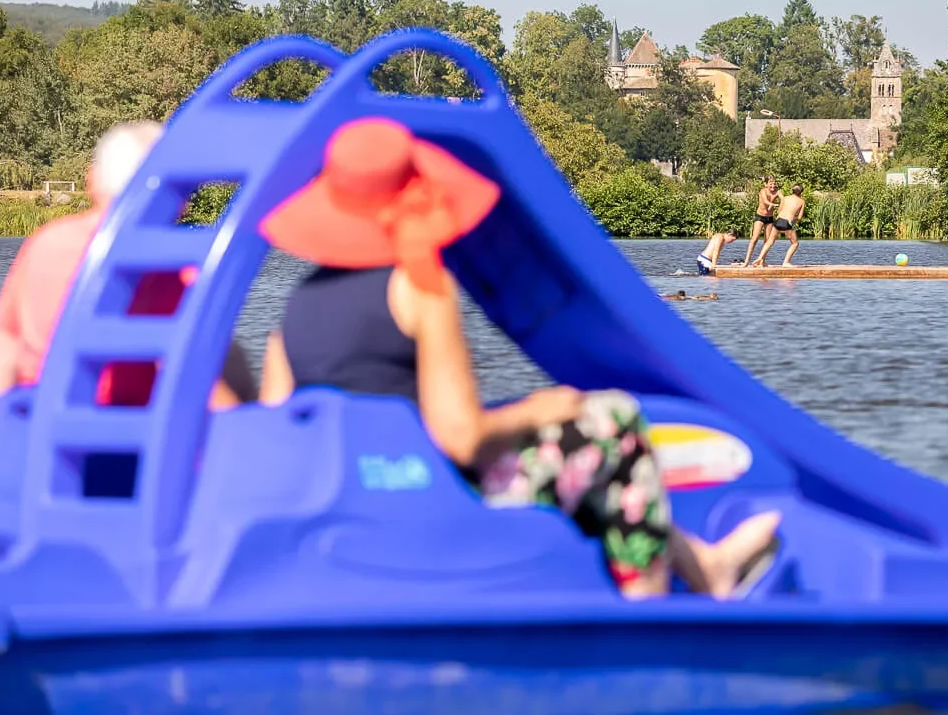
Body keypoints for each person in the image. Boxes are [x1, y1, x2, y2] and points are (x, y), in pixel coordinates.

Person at [257, 117, 778, 599]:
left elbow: (278, 426)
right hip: (426, 491)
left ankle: (698, 559)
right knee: (611, 419)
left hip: (347, 495)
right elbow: (460, 436)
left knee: (562, 442)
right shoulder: (418, 286)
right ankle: (652, 600)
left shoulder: (296, 309)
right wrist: (542, 410)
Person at [0, 120, 254, 409]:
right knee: (229, 354)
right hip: (127, 433)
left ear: (91, 180)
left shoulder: (46, 244)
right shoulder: (174, 267)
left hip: (38, 419)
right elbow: (197, 386)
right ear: (179, 199)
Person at [753, 184, 806, 267]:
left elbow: (778, 211)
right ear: (801, 193)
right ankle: (786, 262)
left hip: (778, 221)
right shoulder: (802, 201)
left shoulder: (785, 198)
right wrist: (793, 220)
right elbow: (799, 217)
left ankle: (760, 258)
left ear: (792, 191)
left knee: (770, 241)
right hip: (787, 222)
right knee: (795, 243)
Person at [740, 177, 780, 267]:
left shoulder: (777, 192)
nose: (773, 185)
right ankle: (746, 261)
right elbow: (766, 202)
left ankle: (762, 261)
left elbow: (783, 199)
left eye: (774, 183)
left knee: (767, 240)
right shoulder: (763, 191)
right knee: (755, 238)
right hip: (760, 217)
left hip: (769, 218)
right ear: (766, 184)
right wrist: (774, 204)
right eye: (770, 183)